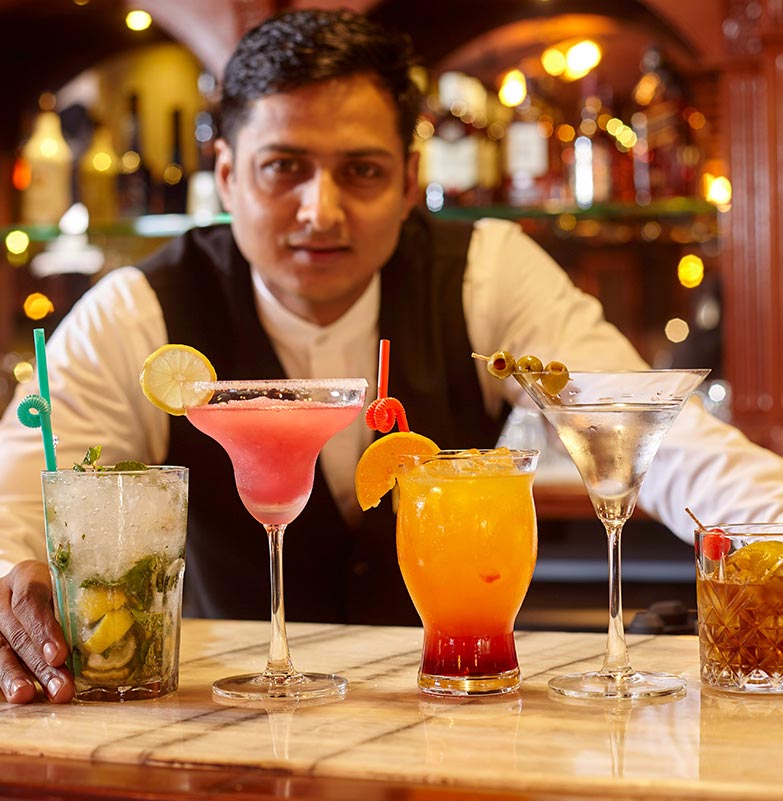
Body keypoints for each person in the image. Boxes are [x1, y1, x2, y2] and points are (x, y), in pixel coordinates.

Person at [0, 9, 781, 705]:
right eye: (283, 167)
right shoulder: (138, 310)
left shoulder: (484, 270)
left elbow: (645, 426)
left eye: (361, 170)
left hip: (452, 713)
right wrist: (9, 583)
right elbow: (22, 493)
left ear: (410, 181)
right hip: (222, 725)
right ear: (228, 177)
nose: (321, 210)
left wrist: (772, 535)